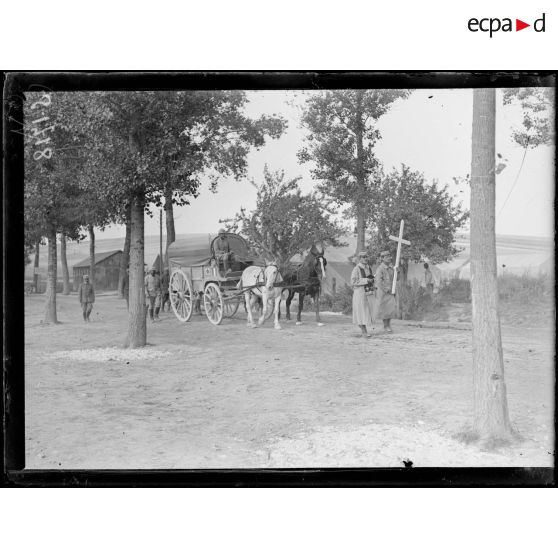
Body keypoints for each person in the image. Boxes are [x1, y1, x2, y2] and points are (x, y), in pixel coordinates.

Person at [350, 251, 375, 337]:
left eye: (366, 257)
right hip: (359, 293)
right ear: (359, 259)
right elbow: (353, 281)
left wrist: (372, 281)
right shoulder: (356, 269)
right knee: (361, 312)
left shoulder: (368, 268)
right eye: (363, 257)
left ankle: (365, 329)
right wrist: (366, 280)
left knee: (367, 312)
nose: (365, 258)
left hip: (368, 293)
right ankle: (364, 332)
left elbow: (370, 278)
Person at [375, 250, 399, 333]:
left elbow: (396, 279)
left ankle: (388, 325)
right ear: (382, 259)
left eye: (389, 256)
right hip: (383, 292)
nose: (389, 258)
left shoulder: (392, 268)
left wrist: (397, 272)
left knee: (390, 309)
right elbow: (378, 281)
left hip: (391, 292)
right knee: (384, 309)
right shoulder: (380, 269)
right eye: (386, 257)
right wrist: (386, 289)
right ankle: (385, 326)